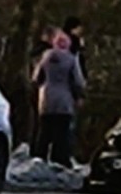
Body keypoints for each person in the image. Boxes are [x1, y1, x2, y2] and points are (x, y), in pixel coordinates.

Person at [32, 30, 86, 168]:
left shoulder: (46, 57)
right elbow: (78, 81)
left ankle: (39, 158)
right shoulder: (71, 59)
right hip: (64, 100)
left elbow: (36, 77)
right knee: (62, 132)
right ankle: (59, 160)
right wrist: (79, 95)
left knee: (44, 130)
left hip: (46, 98)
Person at [28, 26, 57, 155]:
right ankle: (40, 152)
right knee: (44, 125)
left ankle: (34, 150)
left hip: (36, 89)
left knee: (36, 123)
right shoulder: (48, 53)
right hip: (44, 91)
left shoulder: (35, 52)